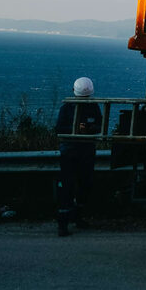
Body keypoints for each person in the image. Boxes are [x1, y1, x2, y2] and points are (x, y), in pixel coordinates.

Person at [55, 76, 102, 236]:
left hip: (74, 150)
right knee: (76, 185)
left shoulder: (67, 107)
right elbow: (99, 125)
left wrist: (86, 128)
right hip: (81, 150)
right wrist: (84, 128)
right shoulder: (91, 107)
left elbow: (59, 128)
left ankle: (70, 219)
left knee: (80, 184)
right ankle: (67, 221)